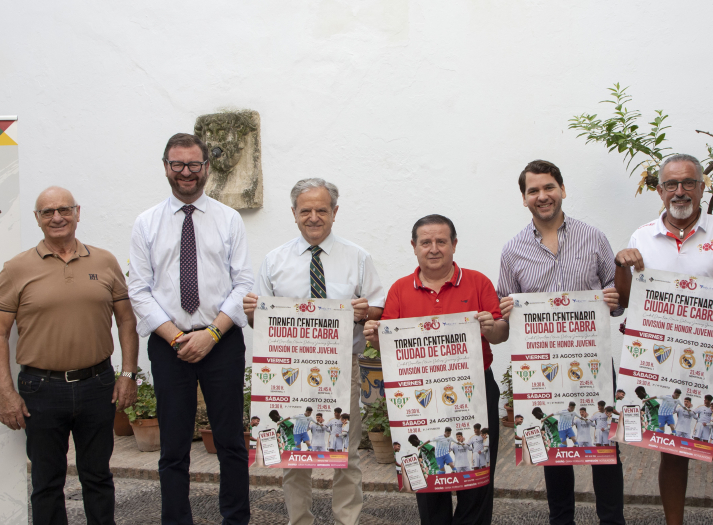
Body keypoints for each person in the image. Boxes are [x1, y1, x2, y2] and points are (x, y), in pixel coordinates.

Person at [614, 154, 713, 525]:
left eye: (688, 183)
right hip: (662, 366)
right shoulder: (642, 236)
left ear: (702, 186)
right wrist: (620, 265)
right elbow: (627, 300)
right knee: (671, 451)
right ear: (659, 191)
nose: (680, 191)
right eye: (671, 185)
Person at [0, 186, 138, 525]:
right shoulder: (16, 268)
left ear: (77, 213)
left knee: (98, 477)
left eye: (64, 210)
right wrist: (5, 392)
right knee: (46, 482)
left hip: (97, 385)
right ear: (38, 219)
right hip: (41, 389)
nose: (57, 217)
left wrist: (128, 374)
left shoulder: (104, 261)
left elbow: (127, 321)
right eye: (48, 212)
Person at [127, 133, 253, 525]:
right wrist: (176, 336)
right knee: (174, 447)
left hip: (221, 339)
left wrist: (211, 334)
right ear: (166, 166)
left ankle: (235, 519)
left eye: (193, 165)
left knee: (231, 442)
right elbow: (139, 289)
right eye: (178, 165)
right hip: (171, 344)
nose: (186, 173)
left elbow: (243, 283)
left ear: (206, 168)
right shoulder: (146, 223)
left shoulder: (228, 219)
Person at [243, 177, 385, 525]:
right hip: (287, 373)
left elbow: (379, 310)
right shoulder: (274, 261)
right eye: (305, 210)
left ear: (335, 212)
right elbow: (258, 323)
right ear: (293, 213)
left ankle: (346, 521)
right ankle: (300, 521)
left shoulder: (359, 258)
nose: (314, 217)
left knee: (347, 454)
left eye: (322, 209)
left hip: (342, 369)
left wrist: (366, 312)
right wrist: (252, 313)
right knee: (294, 454)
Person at [496, 159, 626, 525]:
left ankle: (612, 520)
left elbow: (615, 293)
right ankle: (561, 520)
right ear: (523, 199)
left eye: (549, 187)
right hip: (543, 367)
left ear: (562, 190)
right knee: (554, 447)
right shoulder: (512, 251)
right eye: (533, 190)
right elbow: (507, 311)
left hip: (593, 363)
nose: (542, 196)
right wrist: (507, 308)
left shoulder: (594, 237)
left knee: (605, 445)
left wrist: (614, 296)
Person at [364, 214, 508, 525]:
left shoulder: (478, 282)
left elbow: (500, 334)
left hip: (475, 389)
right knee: (428, 472)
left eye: (441, 241)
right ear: (414, 247)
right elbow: (388, 346)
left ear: (454, 245)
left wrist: (490, 327)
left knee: (477, 470)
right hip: (420, 394)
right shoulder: (400, 290)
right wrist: (376, 336)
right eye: (425, 242)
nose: (433, 248)